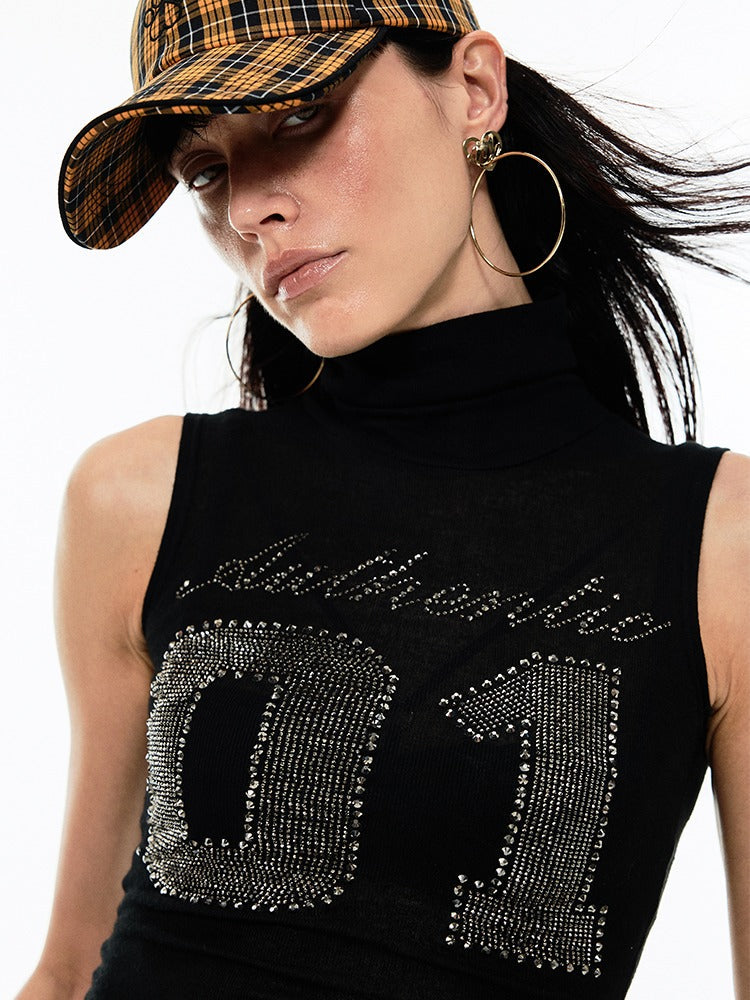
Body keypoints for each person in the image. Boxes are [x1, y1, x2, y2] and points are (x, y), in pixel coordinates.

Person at [16, 0, 749, 997]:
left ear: (475, 90)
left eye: (298, 114)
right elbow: (65, 974)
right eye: (206, 171)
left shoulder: (719, 545)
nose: (249, 209)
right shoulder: (140, 498)